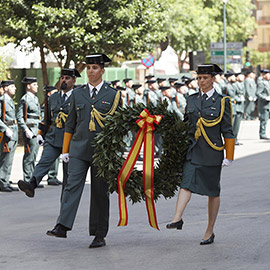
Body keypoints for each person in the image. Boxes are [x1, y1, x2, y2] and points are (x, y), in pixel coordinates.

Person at [46, 54, 121, 249]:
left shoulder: (113, 95)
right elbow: (70, 124)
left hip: (101, 151)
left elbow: (118, 127)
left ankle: (99, 234)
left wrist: (116, 152)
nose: (90, 71)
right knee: (71, 185)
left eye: (95, 67)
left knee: (99, 192)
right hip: (78, 148)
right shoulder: (77, 94)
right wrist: (65, 150)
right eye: (88, 67)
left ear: (102, 71)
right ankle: (62, 225)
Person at [166, 64, 235, 245]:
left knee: (213, 191)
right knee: (186, 182)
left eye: (204, 78)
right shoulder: (192, 99)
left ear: (212, 79)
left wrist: (229, 155)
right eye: (199, 78)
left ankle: (210, 230)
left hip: (212, 151)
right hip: (194, 150)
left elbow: (228, 130)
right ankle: (177, 217)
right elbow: (186, 124)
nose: (201, 81)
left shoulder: (222, 101)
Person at [18, 68, 80, 198]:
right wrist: (41, 133)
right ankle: (32, 184)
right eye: (62, 77)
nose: (64, 80)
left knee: (68, 175)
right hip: (53, 137)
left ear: (74, 81)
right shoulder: (54, 97)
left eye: (67, 78)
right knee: (44, 161)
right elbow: (47, 118)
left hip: (69, 141)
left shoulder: (78, 97)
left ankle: (66, 203)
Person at [17, 77, 42, 185]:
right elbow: (19, 116)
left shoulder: (35, 99)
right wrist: (26, 129)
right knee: (29, 155)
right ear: (28, 86)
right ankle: (27, 179)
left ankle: (31, 179)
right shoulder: (25, 99)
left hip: (36, 129)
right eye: (34, 85)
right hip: (30, 129)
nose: (37, 86)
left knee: (34, 155)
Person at [0, 80, 19, 192]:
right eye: (12, 86)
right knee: (5, 159)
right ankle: (3, 182)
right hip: (6, 132)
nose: (15, 88)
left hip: (13, 130)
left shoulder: (9, 100)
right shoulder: (2, 100)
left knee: (9, 159)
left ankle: (5, 180)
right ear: (6, 88)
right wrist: (5, 128)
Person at [256, 69, 270, 139]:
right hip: (264, 104)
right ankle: (262, 134)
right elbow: (258, 93)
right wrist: (265, 98)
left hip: (269, 105)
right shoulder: (262, 83)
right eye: (267, 74)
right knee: (264, 120)